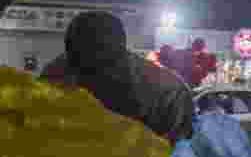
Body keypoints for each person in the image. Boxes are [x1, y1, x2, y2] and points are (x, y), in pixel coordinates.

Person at [40, 11, 194, 143]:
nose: (87, 81)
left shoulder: (170, 96)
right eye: (78, 65)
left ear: (121, 55)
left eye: (99, 67)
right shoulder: (54, 77)